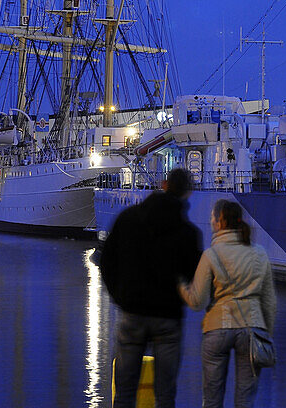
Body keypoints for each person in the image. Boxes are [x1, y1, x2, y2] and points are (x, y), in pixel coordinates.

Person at [99, 168, 202, 408]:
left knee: (124, 392)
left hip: (132, 313)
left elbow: (107, 261)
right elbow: (191, 275)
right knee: (165, 394)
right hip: (168, 318)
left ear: (163, 185)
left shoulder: (128, 219)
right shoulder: (188, 233)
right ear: (187, 193)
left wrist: (120, 297)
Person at [180, 199, 276, 408]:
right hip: (252, 329)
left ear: (219, 222)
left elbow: (198, 301)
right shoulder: (259, 253)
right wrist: (265, 333)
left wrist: (180, 286)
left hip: (217, 328)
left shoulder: (211, 255)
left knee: (212, 399)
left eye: (213, 218)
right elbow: (268, 301)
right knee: (245, 400)